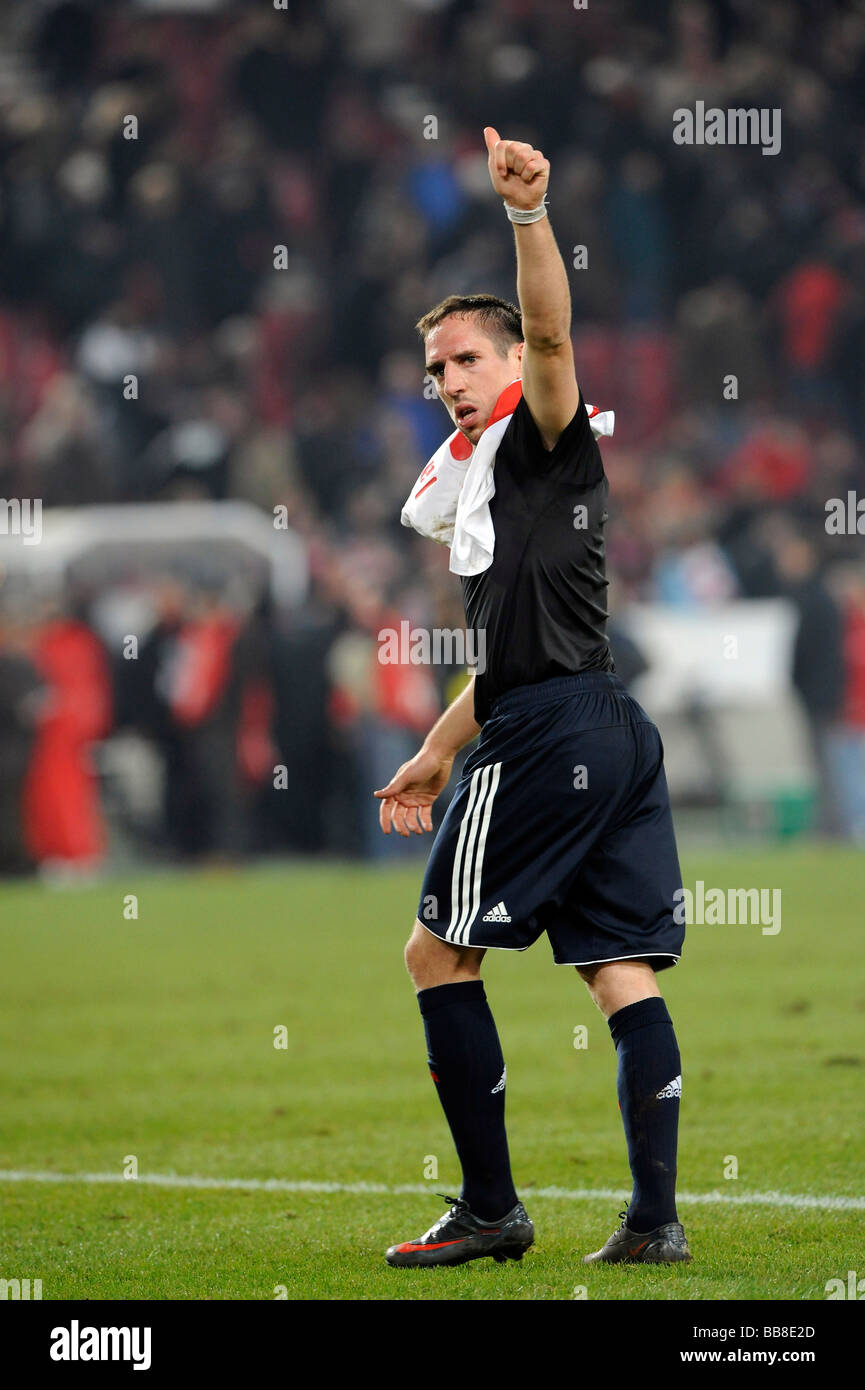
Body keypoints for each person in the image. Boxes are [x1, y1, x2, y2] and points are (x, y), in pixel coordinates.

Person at [374, 128, 690, 1269]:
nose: (446, 384)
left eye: (463, 361)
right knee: (618, 971)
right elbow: (505, 661)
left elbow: (551, 326)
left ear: (507, 364)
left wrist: (525, 215)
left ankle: (492, 1208)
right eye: (434, 371)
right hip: (600, 723)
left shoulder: (547, 439)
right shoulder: (486, 492)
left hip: (550, 732)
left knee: (435, 955)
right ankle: (654, 1224)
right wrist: (432, 752)